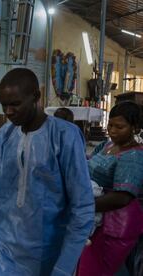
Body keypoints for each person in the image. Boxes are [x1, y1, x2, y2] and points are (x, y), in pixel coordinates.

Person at [0, 68, 94, 275]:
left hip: (47, 252)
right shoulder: (6, 134)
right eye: (4, 105)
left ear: (36, 97)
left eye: (15, 104)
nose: (8, 111)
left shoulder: (64, 136)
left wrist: (64, 267)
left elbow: (82, 207)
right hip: (3, 247)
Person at [77, 101, 143, 276]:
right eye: (110, 125)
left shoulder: (133, 155)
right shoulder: (107, 145)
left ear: (135, 128)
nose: (112, 130)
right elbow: (89, 162)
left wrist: (84, 205)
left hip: (114, 223)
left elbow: (122, 197)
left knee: (101, 268)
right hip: (95, 211)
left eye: (119, 127)